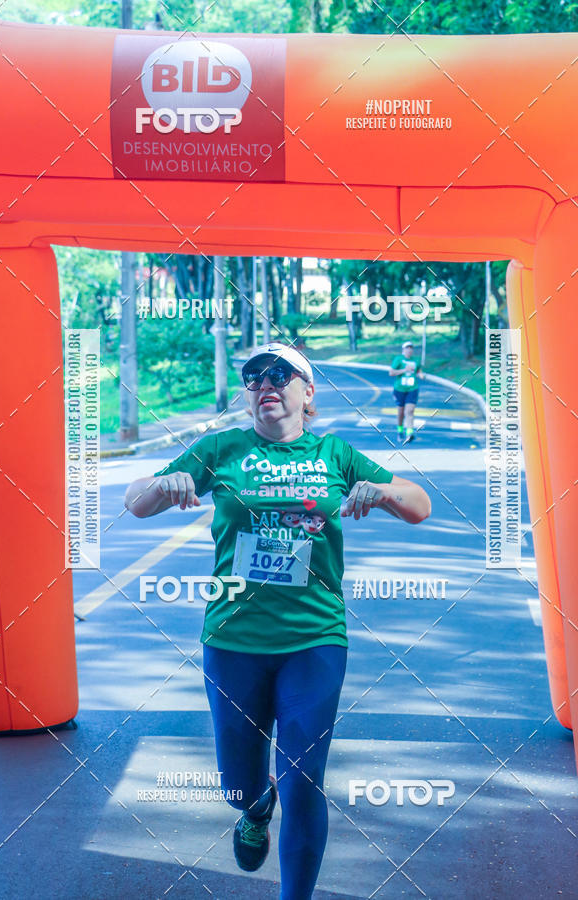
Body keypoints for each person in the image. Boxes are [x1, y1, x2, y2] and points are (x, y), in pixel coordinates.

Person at [124, 341, 431, 900]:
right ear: (247, 395)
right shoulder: (221, 449)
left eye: (280, 374)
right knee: (239, 787)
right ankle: (254, 807)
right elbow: (136, 502)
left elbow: (419, 503)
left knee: (304, 779)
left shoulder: (334, 454)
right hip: (233, 640)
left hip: (313, 639)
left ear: (307, 392)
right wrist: (162, 487)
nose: (265, 382)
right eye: (253, 376)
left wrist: (383, 491)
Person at [388, 340, 425, 443]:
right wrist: (404, 370)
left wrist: (421, 375)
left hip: (412, 389)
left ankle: (409, 433)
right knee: (401, 413)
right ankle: (400, 431)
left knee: (409, 411)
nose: (409, 350)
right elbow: (391, 372)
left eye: (411, 348)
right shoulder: (399, 359)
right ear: (403, 350)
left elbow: (418, 370)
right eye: (407, 348)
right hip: (399, 389)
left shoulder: (415, 360)